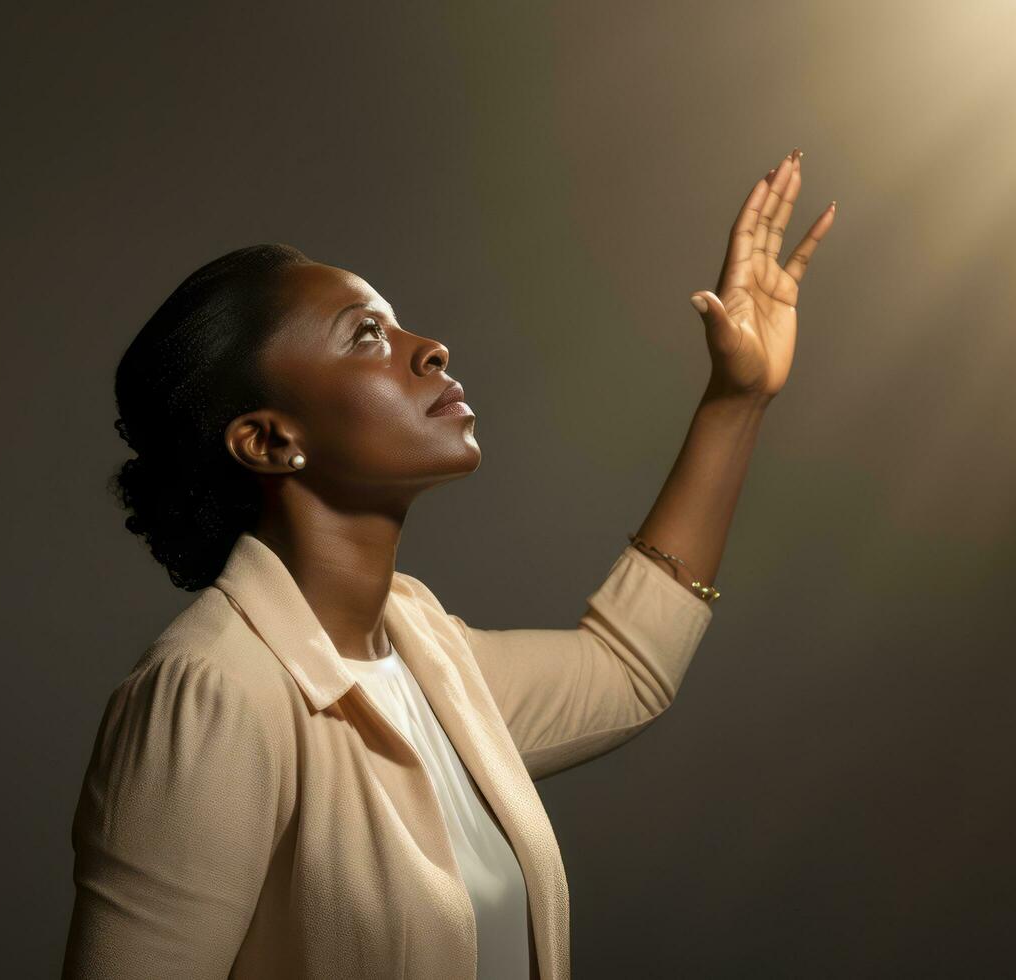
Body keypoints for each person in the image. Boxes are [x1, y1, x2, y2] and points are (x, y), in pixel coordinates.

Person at [61, 147, 834, 979]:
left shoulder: (422, 648)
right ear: (270, 440)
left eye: (398, 324)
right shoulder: (213, 693)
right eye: (366, 335)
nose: (428, 348)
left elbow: (624, 670)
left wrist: (736, 399)